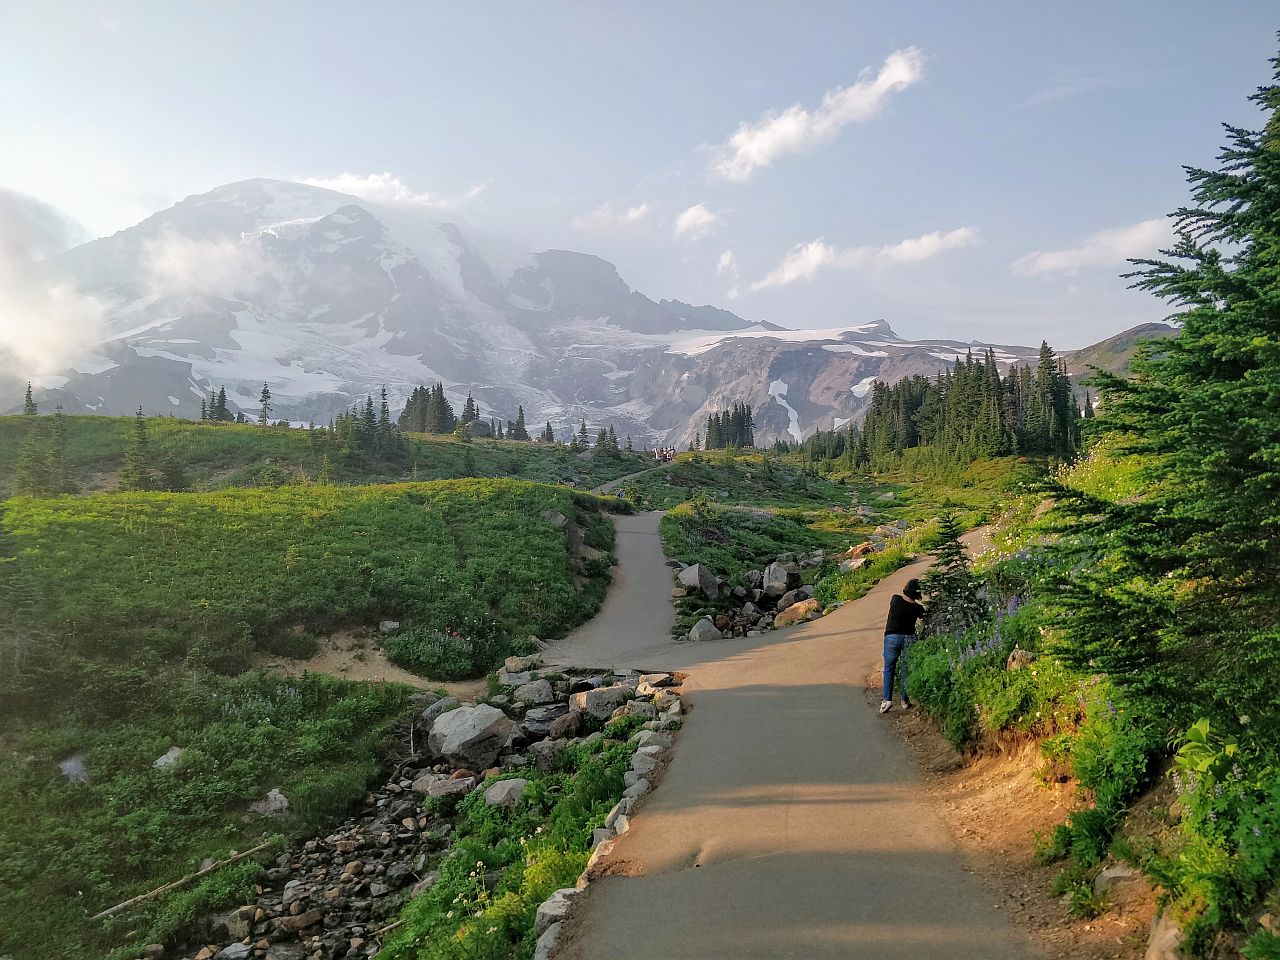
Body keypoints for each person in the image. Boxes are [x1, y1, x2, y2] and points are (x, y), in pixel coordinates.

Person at [880, 578, 926, 714]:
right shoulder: (918, 608)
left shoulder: (895, 599)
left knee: (889, 669)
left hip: (892, 637)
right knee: (906, 668)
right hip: (909, 638)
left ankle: (887, 700)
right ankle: (905, 700)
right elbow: (924, 617)